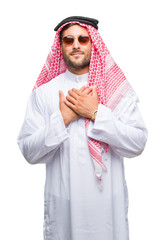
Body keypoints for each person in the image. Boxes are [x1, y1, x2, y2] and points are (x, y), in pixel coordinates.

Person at [17, 16, 147, 240]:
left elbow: (137, 143)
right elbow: (28, 151)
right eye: (69, 40)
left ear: (93, 43)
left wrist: (95, 113)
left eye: (83, 39)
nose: (76, 44)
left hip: (108, 211)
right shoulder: (45, 93)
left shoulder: (116, 91)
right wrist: (62, 119)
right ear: (61, 46)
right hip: (64, 212)